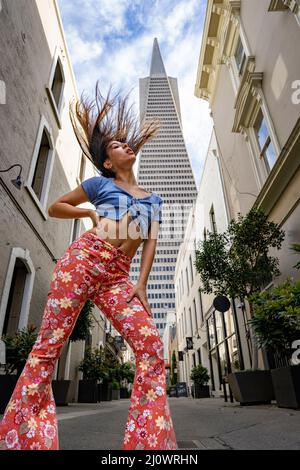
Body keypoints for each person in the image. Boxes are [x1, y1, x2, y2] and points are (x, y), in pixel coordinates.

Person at [0, 82, 178, 451]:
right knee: (49, 346)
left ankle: (148, 444)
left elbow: (151, 242)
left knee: (150, 347)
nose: (126, 146)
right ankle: (22, 439)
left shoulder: (154, 199)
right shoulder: (99, 183)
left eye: (128, 144)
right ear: (109, 162)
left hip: (118, 277)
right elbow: (55, 207)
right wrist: (85, 211)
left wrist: (141, 284)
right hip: (83, 260)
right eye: (116, 146)